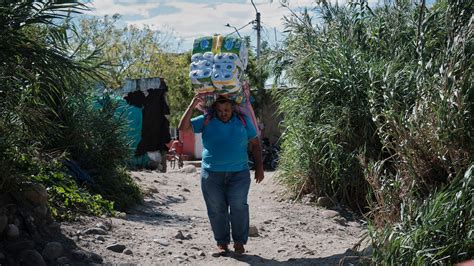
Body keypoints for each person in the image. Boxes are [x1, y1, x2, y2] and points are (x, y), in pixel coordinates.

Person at [178, 95, 264, 256]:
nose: (223, 113)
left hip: (239, 173)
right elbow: (183, 128)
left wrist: (259, 167)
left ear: (232, 107)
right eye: (220, 110)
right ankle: (222, 242)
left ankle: (239, 242)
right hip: (211, 174)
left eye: (226, 110)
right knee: (216, 209)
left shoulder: (243, 121)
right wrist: (191, 105)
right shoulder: (206, 120)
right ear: (214, 109)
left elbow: (255, 144)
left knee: (239, 206)